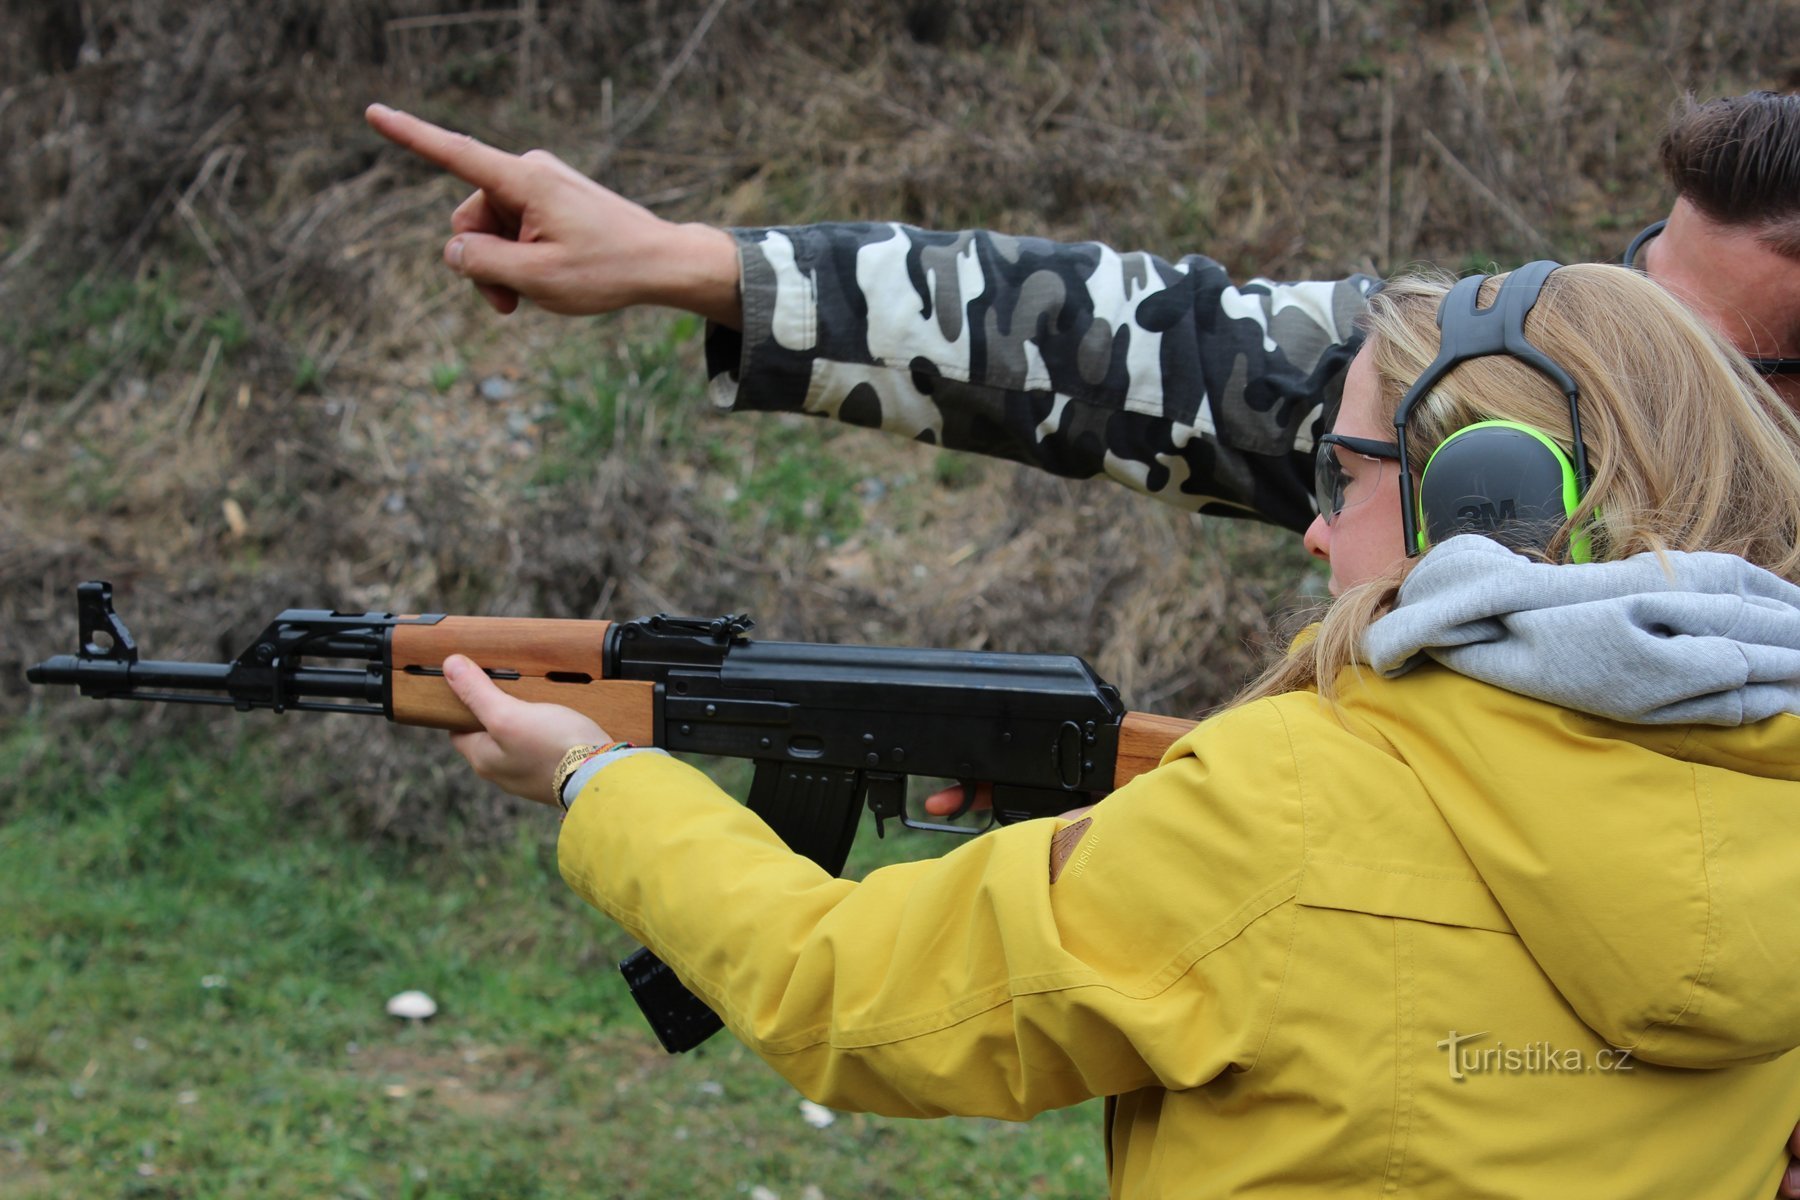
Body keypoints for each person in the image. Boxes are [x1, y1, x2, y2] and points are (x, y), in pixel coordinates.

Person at [436, 260, 1800, 1196]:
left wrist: (597, 780)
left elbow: (852, 995)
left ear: (1490, 497)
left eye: (1347, 471)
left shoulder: (1285, 804)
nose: (1319, 523)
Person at [363, 90, 1800, 542]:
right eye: (1628, 281)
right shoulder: (1514, 380)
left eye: (1710, 368)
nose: (1614, 356)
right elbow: (1135, 347)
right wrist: (696, 263)